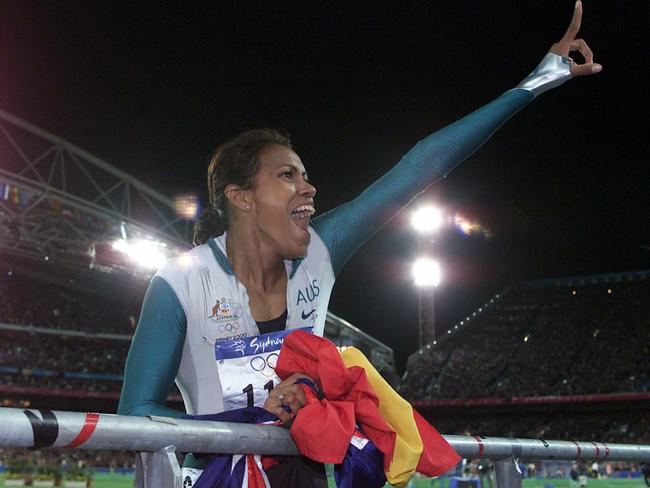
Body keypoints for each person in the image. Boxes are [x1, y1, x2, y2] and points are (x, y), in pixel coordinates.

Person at [118, 2, 601, 485]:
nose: (308, 188)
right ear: (240, 197)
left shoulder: (320, 251)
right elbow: (134, 414)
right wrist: (246, 423)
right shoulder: (180, 282)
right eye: (287, 176)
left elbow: (416, 169)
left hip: (307, 472)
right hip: (216, 477)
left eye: (306, 176)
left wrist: (536, 82)